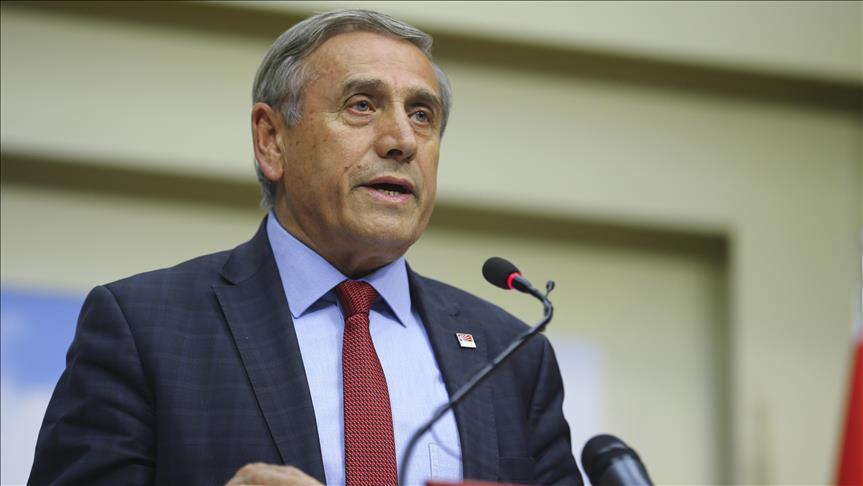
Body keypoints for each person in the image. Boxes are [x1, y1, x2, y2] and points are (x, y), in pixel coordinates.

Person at [28, 9, 581, 486]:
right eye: (362, 105)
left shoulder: (510, 354)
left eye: (422, 115)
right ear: (272, 140)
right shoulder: (145, 327)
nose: (402, 141)